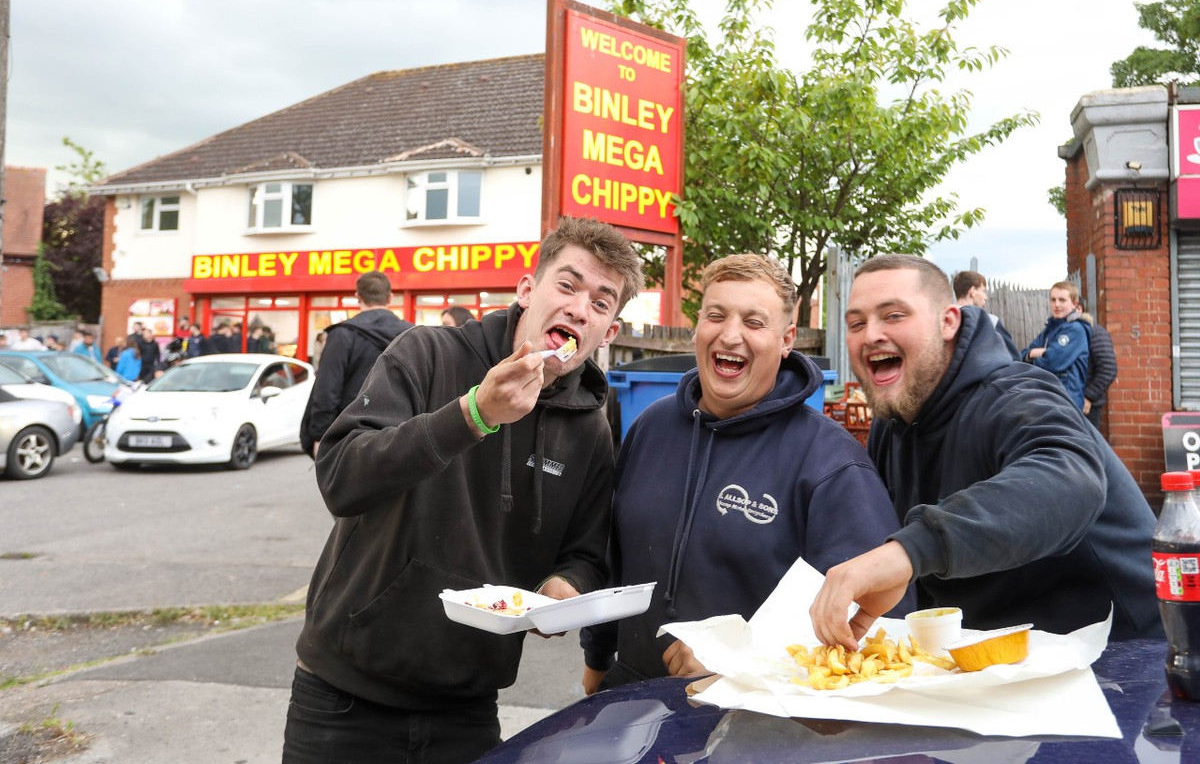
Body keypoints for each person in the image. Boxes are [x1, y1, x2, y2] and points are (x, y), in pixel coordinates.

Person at [283, 217, 645, 764]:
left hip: (468, 706)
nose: (579, 308)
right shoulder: (427, 355)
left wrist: (565, 585)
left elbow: (587, 551)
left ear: (609, 332)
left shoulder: (590, 427)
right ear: (527, 291)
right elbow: (340, 477)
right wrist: (473, 414)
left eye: (601, 302)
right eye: (567, 285)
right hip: (342, 697)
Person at [579, 254, 910, 694]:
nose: (730, 334)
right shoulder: (651, 427)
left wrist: (743, 662)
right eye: (716, 315)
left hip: (758, 719)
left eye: (754, 322)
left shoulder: (831, 462)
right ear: (698, 326)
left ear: (786, 338)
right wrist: (597, 659)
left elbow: (876, 626)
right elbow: (615, 556)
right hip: (631, 698)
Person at [809, 254, 1161, 652]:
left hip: (1123, 658)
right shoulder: (892, 426)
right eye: (856, 323)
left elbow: (1071, 478)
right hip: (994, 662)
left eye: (893, 316)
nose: (871, 334)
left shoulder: (1015, 394)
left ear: (948, 322)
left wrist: (913, 549)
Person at [299, 271, 414, 459]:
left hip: (351, 436)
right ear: (390, 297)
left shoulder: (342, 335)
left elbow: (327, 389)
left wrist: (320, 436)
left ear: (357, 296)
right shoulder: (412, 334)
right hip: (402, 434)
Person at [1021, 281, 1090, 410]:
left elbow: (1052, 362)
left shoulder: (1075, 330)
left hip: (1067, 401)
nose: (1056, 305)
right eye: (1053, 300)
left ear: (1074, 304)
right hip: (1048, 398)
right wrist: (1032, 353)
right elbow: (1023, 355)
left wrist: (1036, 358)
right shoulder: (1050, 329)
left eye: (1062, 300)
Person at [952, 270, 1018, 360]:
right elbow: (1014, 358)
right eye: (983, 291)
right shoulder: (990, 322)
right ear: (973, 291)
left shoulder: (945, 321)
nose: (986, 297)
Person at [1078, 299, 1118, 433]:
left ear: (1078, 309)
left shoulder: (1095, 332)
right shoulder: (1062, 333)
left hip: (1087, 407)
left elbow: (1108, 368)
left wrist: (1089, 396)